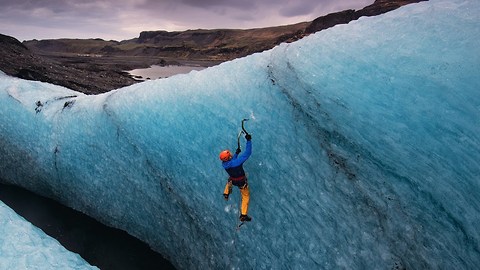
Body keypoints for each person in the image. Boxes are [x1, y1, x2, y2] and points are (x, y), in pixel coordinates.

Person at [219, 133, 252, 222]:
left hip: (234, 180)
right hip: (241, 182)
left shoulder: (224, 164)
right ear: (229, 156)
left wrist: (236, 154)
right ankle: (243, 215)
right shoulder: (236, 163)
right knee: (245, 196)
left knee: (229, 180)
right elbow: (247, 153)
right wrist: (249, 140)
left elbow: (231, 161)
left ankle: (226, 193)